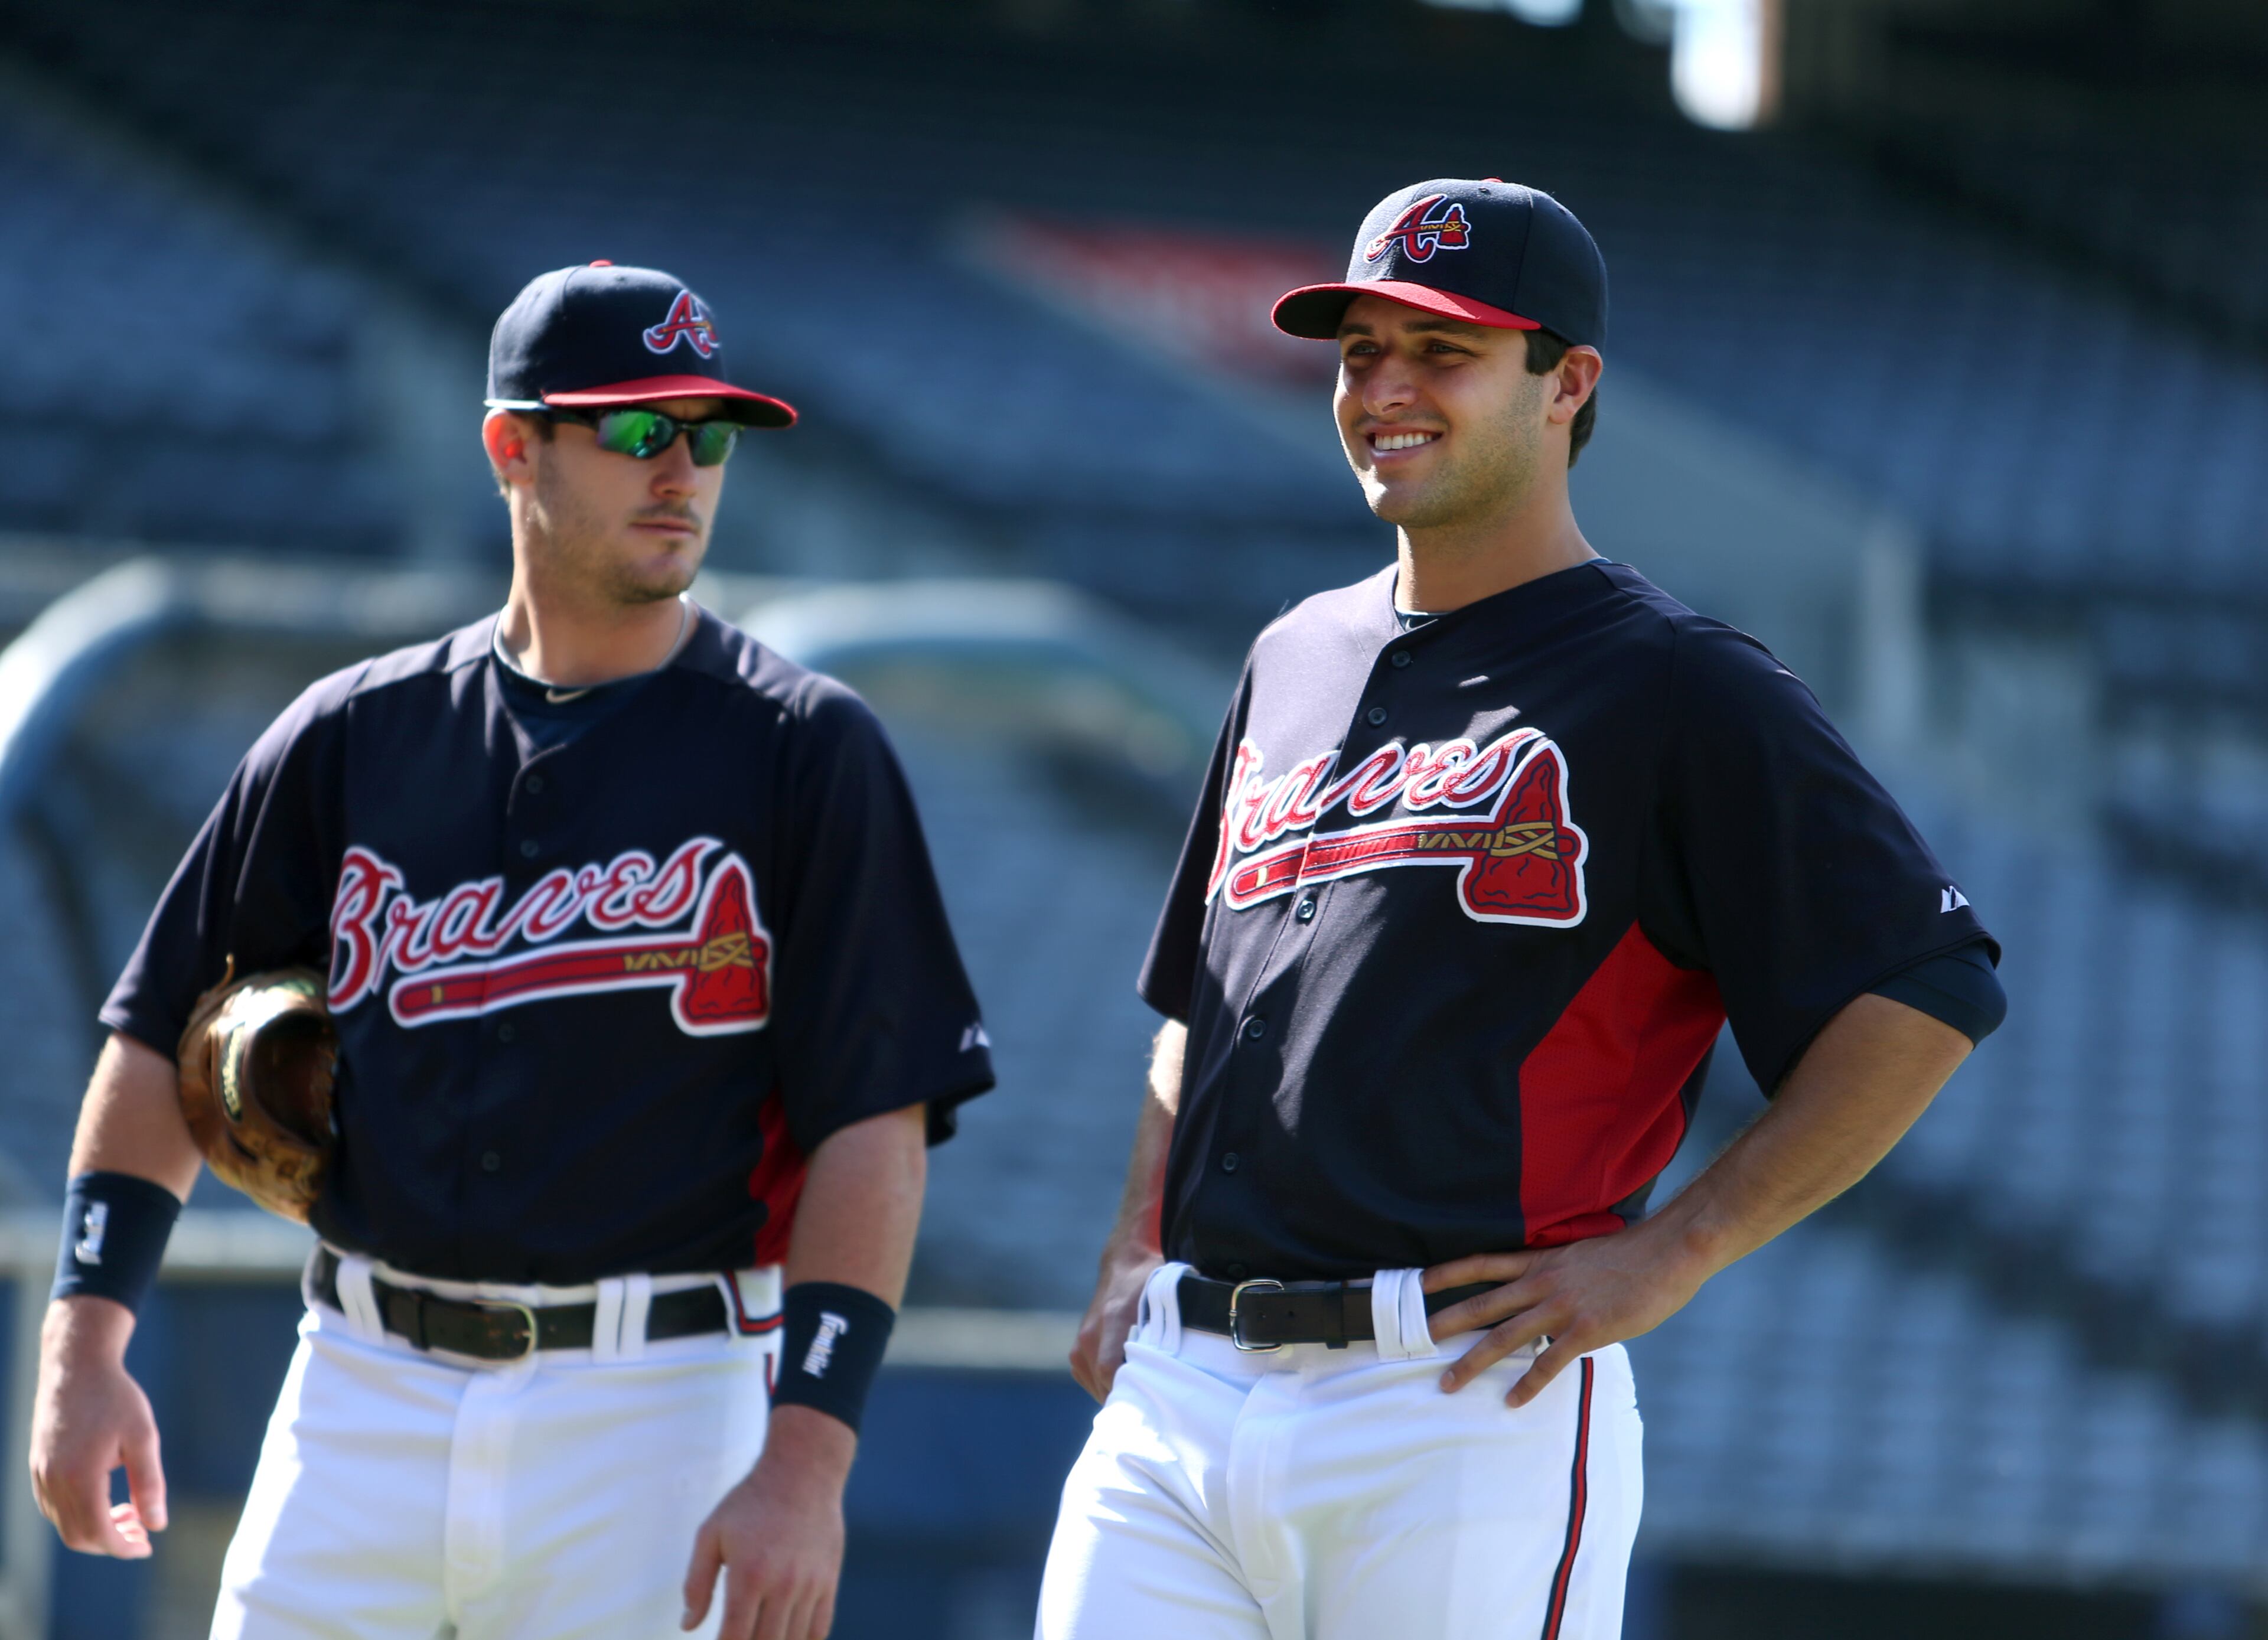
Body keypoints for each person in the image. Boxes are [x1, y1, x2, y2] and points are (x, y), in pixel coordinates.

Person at [1039, 180, 2007, 1639]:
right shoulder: (1292, 654)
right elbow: (1200, 1000)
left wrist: (1675, 1249)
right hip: (1183, 1389)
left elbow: (1928, 986)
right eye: (1362, 351)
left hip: (1456, 1398)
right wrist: (1130, 1245)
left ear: (1570, 383)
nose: (1386, 390)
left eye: (1446, 351)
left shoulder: (1678, 681)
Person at [28, 262, 995, 1640]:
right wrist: (85, 1339)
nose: (685, 472)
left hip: (657, 1407)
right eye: (639, 430)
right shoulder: (353, 735)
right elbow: (155, 1026)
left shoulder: (802, 749)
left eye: (708, 434)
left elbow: (875, 1120)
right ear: (511, 447)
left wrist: (806, 1461)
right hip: (362, 1388)